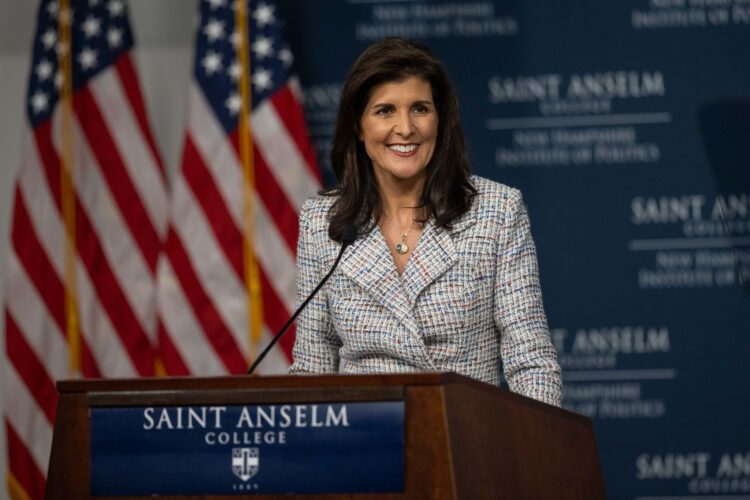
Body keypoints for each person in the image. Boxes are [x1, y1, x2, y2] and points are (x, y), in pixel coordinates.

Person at [289, 37, 562, 407]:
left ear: (439, 117)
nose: (405, 128)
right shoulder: (322, 221)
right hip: (362, 446)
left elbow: (530, 363)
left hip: (466, 443)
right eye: (385, 111)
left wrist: (532, 456)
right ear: (358, 125)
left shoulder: (496, 211)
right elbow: (312, 366)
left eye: (419, 108)